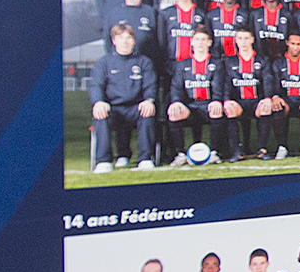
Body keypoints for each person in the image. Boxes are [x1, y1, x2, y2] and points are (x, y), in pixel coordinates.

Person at [90, 20, 159, 174]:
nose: (125, 41)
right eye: (121, 38)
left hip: (135, 108)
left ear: (133, 41)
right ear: (114, 41)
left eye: (128, 37)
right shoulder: (103, 63)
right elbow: (96, 86)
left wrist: (149, 100)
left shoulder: (144, 62)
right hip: (113, 108)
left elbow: (150, 86)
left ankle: (145, 158)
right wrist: (98, 102)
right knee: (100, 114)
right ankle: (104, 161)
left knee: (147, 111)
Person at [167, 26, 229, 163]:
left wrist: (217, 100)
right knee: (174, 112)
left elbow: (219, 86)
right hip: (191, 105)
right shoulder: (182, 64)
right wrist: (176, 102)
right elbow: (176, 87)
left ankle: (214, 153)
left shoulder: (217, 63)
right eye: (197, 39)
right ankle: (181, 154)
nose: (200, 43)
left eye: (203, 40)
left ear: (209, 42)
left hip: (208, 104)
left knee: (216, 109)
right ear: (192, 42)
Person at [221, 27, 277, 160]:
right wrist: (226, 100)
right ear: (236, 40)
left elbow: (268, 80)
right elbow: (226, 83)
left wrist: (267, 98)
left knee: (265, 108)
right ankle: (237, 151)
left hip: (256, 100)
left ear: (252, 40)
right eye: (240, 38)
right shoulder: (230, 61)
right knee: (230, 109)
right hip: (239, 101)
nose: (243, 42)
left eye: (246, 38)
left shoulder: (262, 59)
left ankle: (262, 149)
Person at [271, 31, 300, 158]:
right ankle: (282, 147)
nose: (295, 47)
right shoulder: (278, 63)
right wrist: (275, 97)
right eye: (292, 44)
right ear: (287, 43)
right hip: (285, 99)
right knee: (278, 108)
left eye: (298, 44)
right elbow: (274, 84)